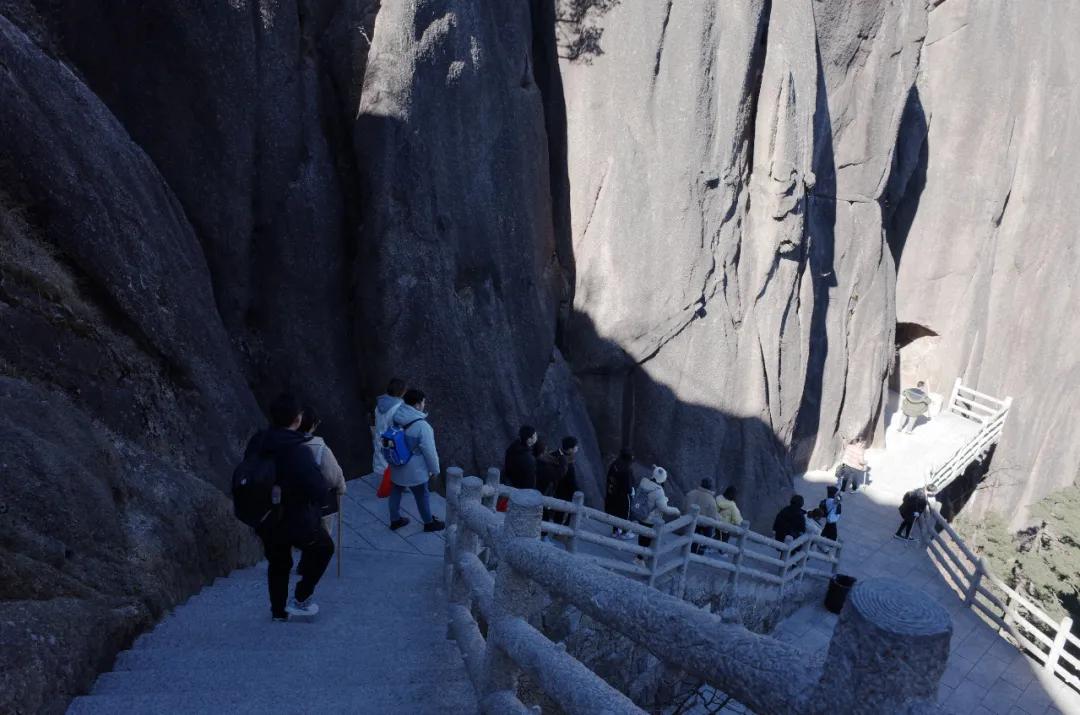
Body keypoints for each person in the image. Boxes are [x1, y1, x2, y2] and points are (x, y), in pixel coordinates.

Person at [245, 393, 334, 621]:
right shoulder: (297, 450)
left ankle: (278, 612)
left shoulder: (257, 442)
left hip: (264, 516)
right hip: (296, 519)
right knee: (324, 548)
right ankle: (302, 597)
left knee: (278, 563)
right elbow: (318, 489)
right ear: (296, 419)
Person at [387, 389, 444, 533]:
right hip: (415, 470)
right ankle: (429, 523)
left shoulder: (396, 415)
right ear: (418, 405)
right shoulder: (422, 426)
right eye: (424, 402)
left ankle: (395, 520)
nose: (425, 404)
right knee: (422, 496)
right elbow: (430, 452)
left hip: (396, 463)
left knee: (395, 491)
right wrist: (435, 470)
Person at [299, 406, 346, 534]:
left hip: (295, 498)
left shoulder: (288, 443)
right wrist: (341, 488)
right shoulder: (320, 449)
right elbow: (334, 476)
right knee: (322, 533)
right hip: (317, 499)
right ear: (314, 424)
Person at [633, 466, 680, 565]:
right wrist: (676, 511)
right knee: (647, 539)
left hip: (640, 513)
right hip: (649, 518)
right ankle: (639, 559)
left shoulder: (644, 482)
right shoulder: (659, 491)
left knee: (642, 537)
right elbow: (664, 509)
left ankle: (639, 555)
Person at [371, 378, 406, 475]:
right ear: (402, 391)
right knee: (391, 475)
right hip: (391, 446)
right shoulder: (399, 407)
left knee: (381, 472)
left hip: (379, 442)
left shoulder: (379, 405)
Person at [500, 426, 538, 511]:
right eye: (535, 435)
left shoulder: (513, 447)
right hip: (519, 491)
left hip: (509, 482)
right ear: (529, 439)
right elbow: (529, 482)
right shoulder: (528, 459)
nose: (536, 437)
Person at [604, 449, 635, 539]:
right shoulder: (627, 469)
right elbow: (627, 487)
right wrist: (631, 491)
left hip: (613, 493)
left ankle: (615, 531)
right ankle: (625, 533)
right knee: (625, 514)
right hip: (623, 496)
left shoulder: (614, 464)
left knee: (615, 512)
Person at [683, 477, 719, 555]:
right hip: (701, 524)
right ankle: (701, 550)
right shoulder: (711, 500)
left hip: (688, 520)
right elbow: (713, 517)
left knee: (694, 531)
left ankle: (689, 548)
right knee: (709, 530)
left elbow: (684, 507)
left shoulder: (690, 493)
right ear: (710, 486)